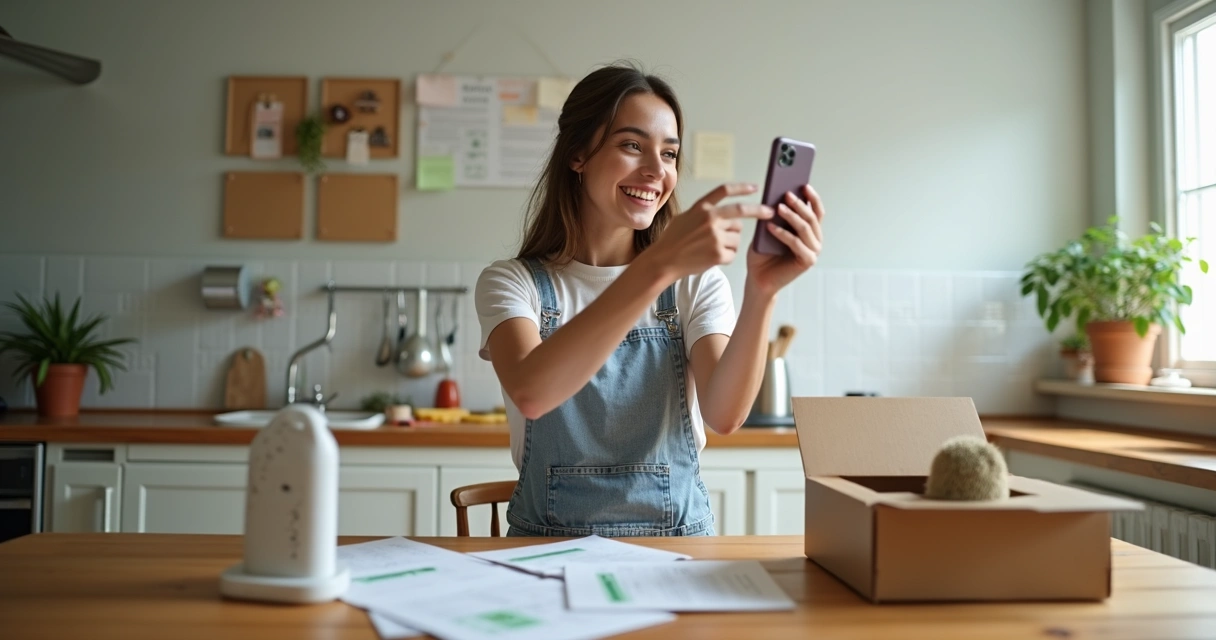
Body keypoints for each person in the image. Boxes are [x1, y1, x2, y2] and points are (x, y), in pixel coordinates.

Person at [475, 63, 825, 537]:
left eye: (670, 153)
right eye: (632, 145)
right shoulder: (512, 283)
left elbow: (725, 415)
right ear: (578, 154)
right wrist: (658, 265)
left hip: (678, 551)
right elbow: (532, 393)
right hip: (542, 554)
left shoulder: (694, 284)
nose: (657, 171)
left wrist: (762, 291)